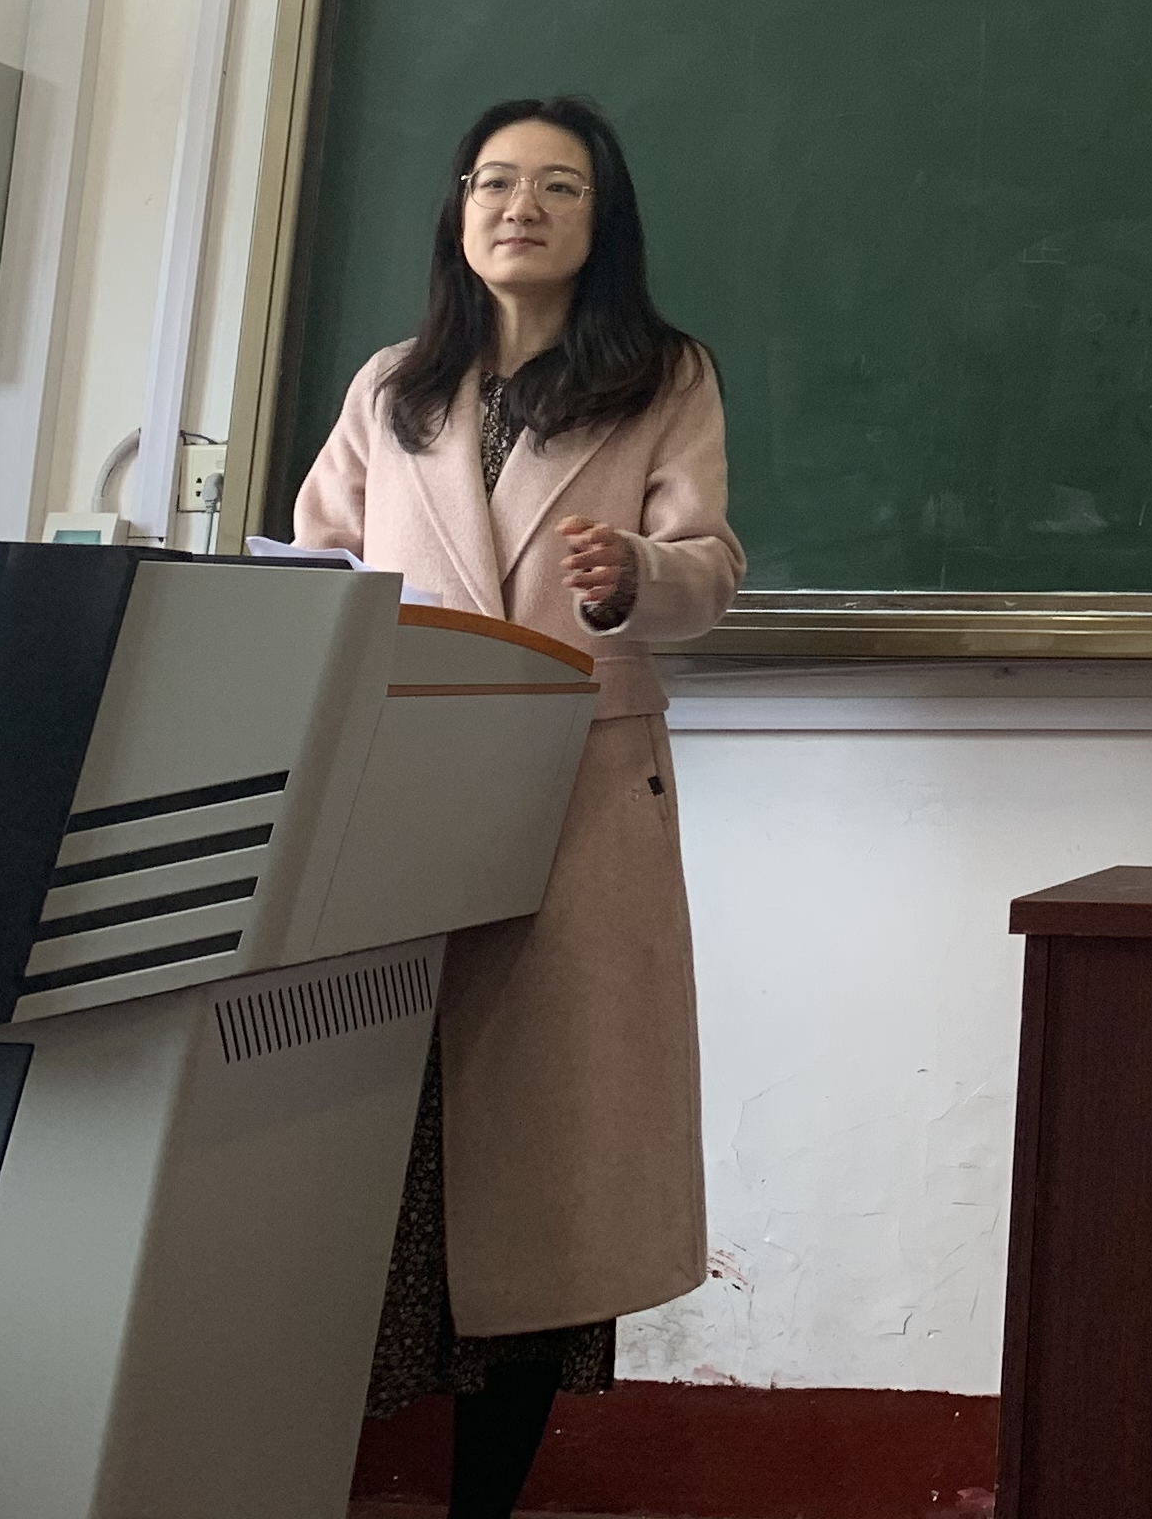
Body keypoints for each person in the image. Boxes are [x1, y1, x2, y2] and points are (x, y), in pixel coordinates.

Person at [293, 94, 743, 1519]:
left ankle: (484, 1501)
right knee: (387, 1144)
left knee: (544, 1171)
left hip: (579, 795)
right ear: (459, 207)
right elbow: (314, 565)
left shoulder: (660, 376)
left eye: (558, 186)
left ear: (603, 223)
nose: (519, 207)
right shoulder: (394, 387)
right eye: (494, 181)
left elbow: (709, 565)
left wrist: (636, 580)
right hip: (404, 791)